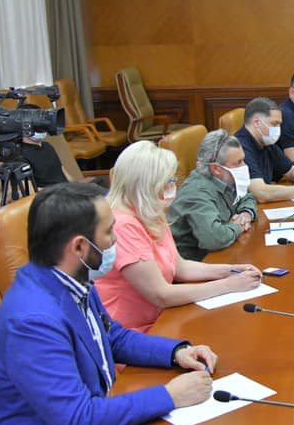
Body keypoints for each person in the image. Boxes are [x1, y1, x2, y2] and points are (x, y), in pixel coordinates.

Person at [0, 183, 217, 425]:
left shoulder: (71, 278)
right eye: (109, 232)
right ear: (79, 246)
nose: (115, 240)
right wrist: (169, 396)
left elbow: (112, 337)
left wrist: (176, 352)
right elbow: (77, 419)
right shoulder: (31, 321)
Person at [95, 141, 262, 332]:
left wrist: (230, 270)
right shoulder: (122, 225)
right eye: (167, 181)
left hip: (163, 317)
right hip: (133, 332)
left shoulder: (150, 211)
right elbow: (161, 294)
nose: (172, 185)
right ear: (146, 185)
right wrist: (227, 285)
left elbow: (180, 267)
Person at [168, 130, 258, 262]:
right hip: (195, 262)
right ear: (216, 169)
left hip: (223, 252)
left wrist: (246, 214)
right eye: (238, 163)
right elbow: (214, 239)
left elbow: (247, 196)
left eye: (243, 160)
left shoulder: (226, 178)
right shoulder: (196, 193)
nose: (244, 166)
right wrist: (238, 226)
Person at [236, 97, 294, 203]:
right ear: (257, 123)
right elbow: (261, 193)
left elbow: (293, 170)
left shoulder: (267, 143)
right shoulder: (239, 147)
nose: (278, 129)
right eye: (274, 124)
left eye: (279, 124)